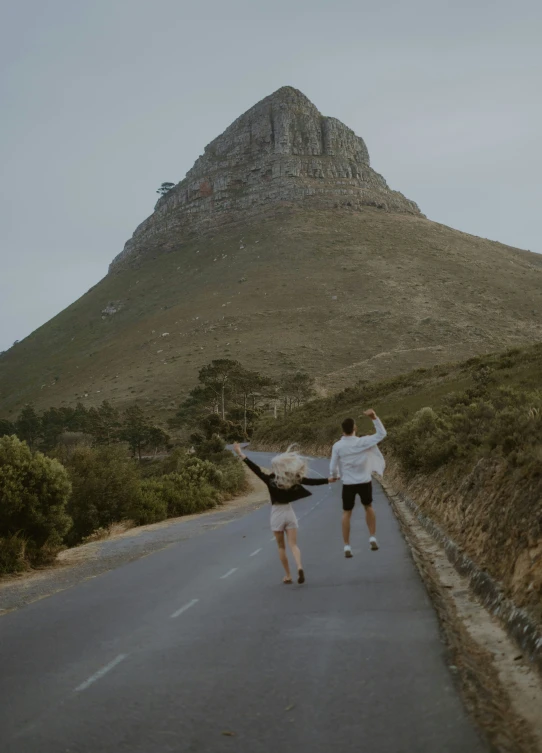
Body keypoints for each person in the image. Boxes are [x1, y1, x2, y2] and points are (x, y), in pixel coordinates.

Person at [233, 442, 336, 584]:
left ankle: (288, 575)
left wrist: (240, 453)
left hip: (277, 513)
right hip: (289, 513)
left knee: (281, 546)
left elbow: (255, 468)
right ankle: (299, 566)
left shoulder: (270, 480)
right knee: (293, 545)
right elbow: (310, 481)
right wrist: (328, 480)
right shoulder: (290, 479)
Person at [330, 409, 387, 556]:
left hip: (348, 483)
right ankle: (372, 536)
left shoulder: (338, 446)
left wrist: (334, 475)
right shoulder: (363, 441)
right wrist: (374, 417)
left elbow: (333, 465)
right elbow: (382, 434)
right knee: (368, 506)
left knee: (346, 513)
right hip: (364, 481)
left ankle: (347, 546)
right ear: (355, 428)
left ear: (343, 430)